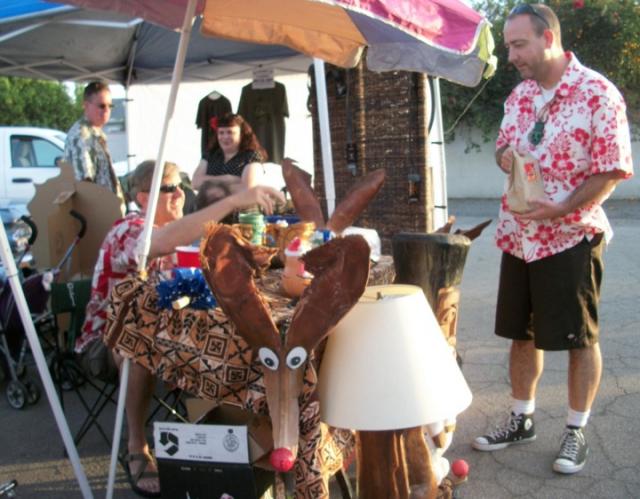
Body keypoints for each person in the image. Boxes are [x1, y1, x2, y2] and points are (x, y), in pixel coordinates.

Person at [472, 3, 633, 475]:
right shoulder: (520, 96)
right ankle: (521, 419)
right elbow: (502, 147)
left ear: (549, 39)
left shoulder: (598, 93)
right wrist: (505, 157)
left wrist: (562, 208)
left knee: (579, 339)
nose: (511, 56)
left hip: (570, 236)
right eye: (508, 46)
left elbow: (611, 169)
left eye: (519, 45)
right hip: (518, 235)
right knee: (521, 335)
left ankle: (575, 430)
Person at [75, 159, 284, 497]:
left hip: (163, 335)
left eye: (181, 188)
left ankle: (227, 447)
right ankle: (137, 446)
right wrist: (235, 200)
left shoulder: (178, 240)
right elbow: (155, 243)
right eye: (169, 188)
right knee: (137, 344)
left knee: (224, 339)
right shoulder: (128, 228)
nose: (179, 195)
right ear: (143, 198)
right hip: (105, 341)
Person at [64, 81, 125, 210]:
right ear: (86, 105)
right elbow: (84, 186)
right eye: (101, 106)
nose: (106, 110)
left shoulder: (96, 132)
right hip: (97, 214)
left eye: (110, 106)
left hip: (106, 211)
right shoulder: (81, 136)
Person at [191, 113, 267, 192]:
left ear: (242, 134)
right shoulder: (210, 154)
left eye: (230, 132)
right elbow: (195, 183)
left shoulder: (251, 157)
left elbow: (247, 189)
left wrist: (211, 185)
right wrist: (227, 179)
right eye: (221, 133)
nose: (225, 137)